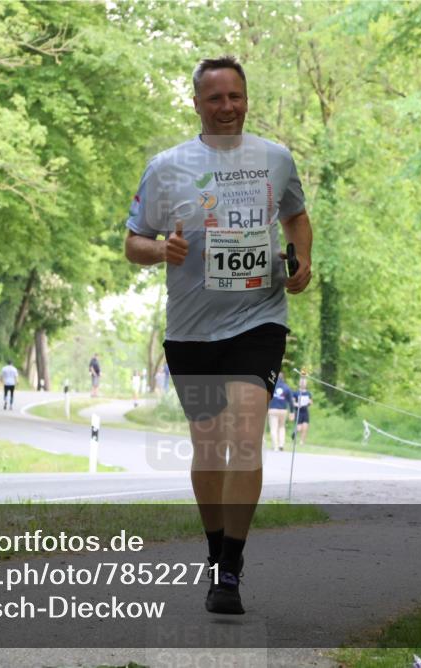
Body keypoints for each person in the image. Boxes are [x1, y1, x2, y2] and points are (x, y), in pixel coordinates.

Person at [124, 55, 312, 615]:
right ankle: (214, 555)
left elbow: (296, 217)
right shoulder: (167, 167)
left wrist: (302, 260)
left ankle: (230, 570)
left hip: (259, 320)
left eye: (235, 97)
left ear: (246, 98)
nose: (226, 108)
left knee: (245, 436)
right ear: (197, 103)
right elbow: (134, 243)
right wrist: (161, 249)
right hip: (191, 332)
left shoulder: (275, 159)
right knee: (209, 446)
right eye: (215, 99)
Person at [267, 372, 293, 452]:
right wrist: (292, 412)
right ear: (283, 378)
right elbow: (291, 401)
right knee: (282, 427)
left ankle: (275, 446)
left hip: (273, 409)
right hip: (283, 410)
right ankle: (281, 445)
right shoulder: (287, 387)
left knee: (273, 428)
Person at [295, 375, 313, 447]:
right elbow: (293, 402)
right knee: (299, 428)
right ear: (299, 383)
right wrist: (297, 404)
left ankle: (302, 442)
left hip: (305, 412)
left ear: (306, 384)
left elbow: (311, 402)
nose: (303, 383)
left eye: (304, 382)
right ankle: (295, 437)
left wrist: (309, 402)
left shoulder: (308, 393)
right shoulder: (296, 393)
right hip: (298, 412)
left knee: (305, 428)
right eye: (301, 382)